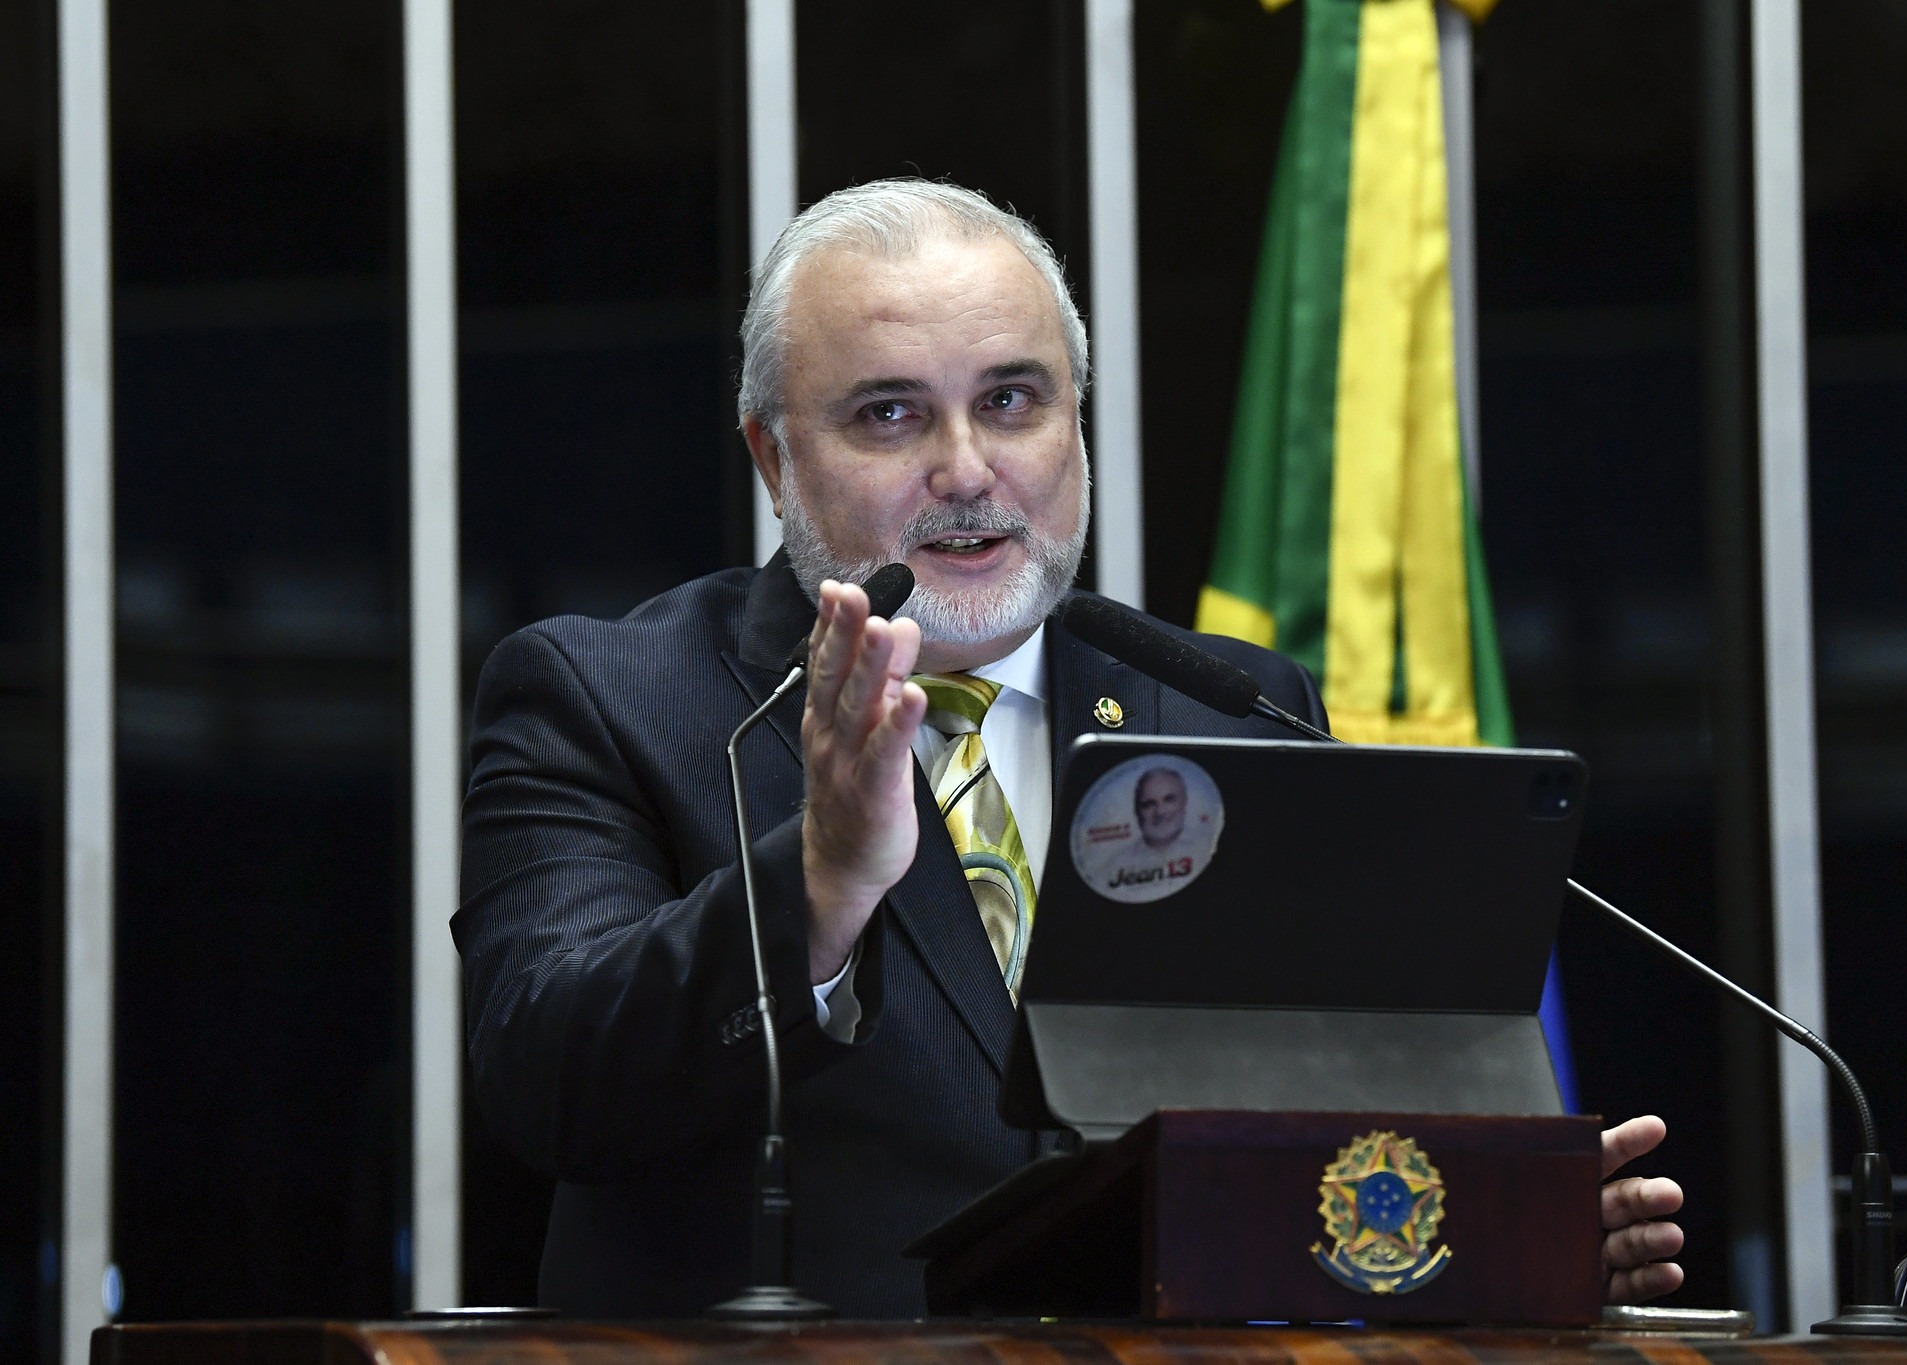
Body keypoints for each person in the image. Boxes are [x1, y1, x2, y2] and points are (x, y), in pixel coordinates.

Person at [457, 179, 1685, 1316]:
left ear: (1075, 425)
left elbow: (1300, 1142)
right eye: (889, 414)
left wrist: (1494, 1226)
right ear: (774, 457)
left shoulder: (1226, 706)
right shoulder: (607, 699)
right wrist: (822, 879)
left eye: (1010, 400)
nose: (966, 470)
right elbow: (547, 1081)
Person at [1135, 768, 1187, 849]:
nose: (1160, 812)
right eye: (1149, 804)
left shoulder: (1205, 843)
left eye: (1169, 800)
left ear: (1184, 801)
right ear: (1137, 811)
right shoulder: (1119, 860)